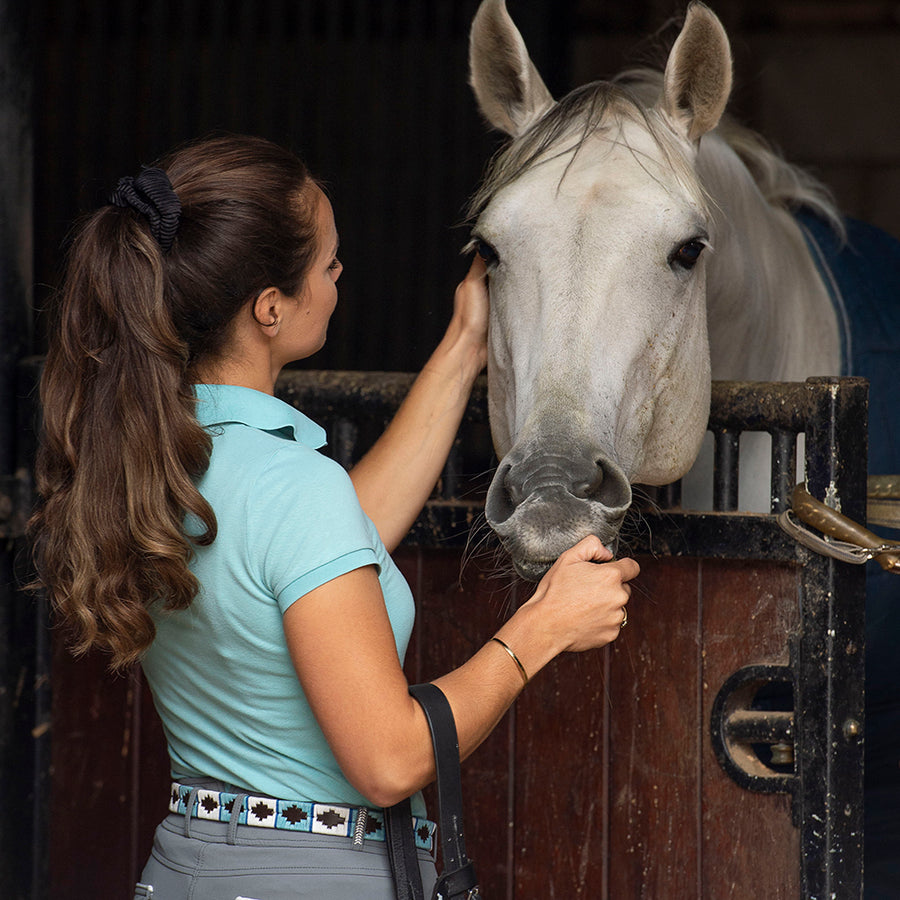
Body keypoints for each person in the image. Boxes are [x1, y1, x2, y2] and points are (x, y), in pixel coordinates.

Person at [30, 133, 639, 899]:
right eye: (328, 264)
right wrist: (541, 627)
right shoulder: (292, 487)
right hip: (313, 875)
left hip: (187, 865)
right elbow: (389, 761)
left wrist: (463, 345)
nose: (340, 274)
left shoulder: (162, 463)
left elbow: (332, 544)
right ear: (271, 309)